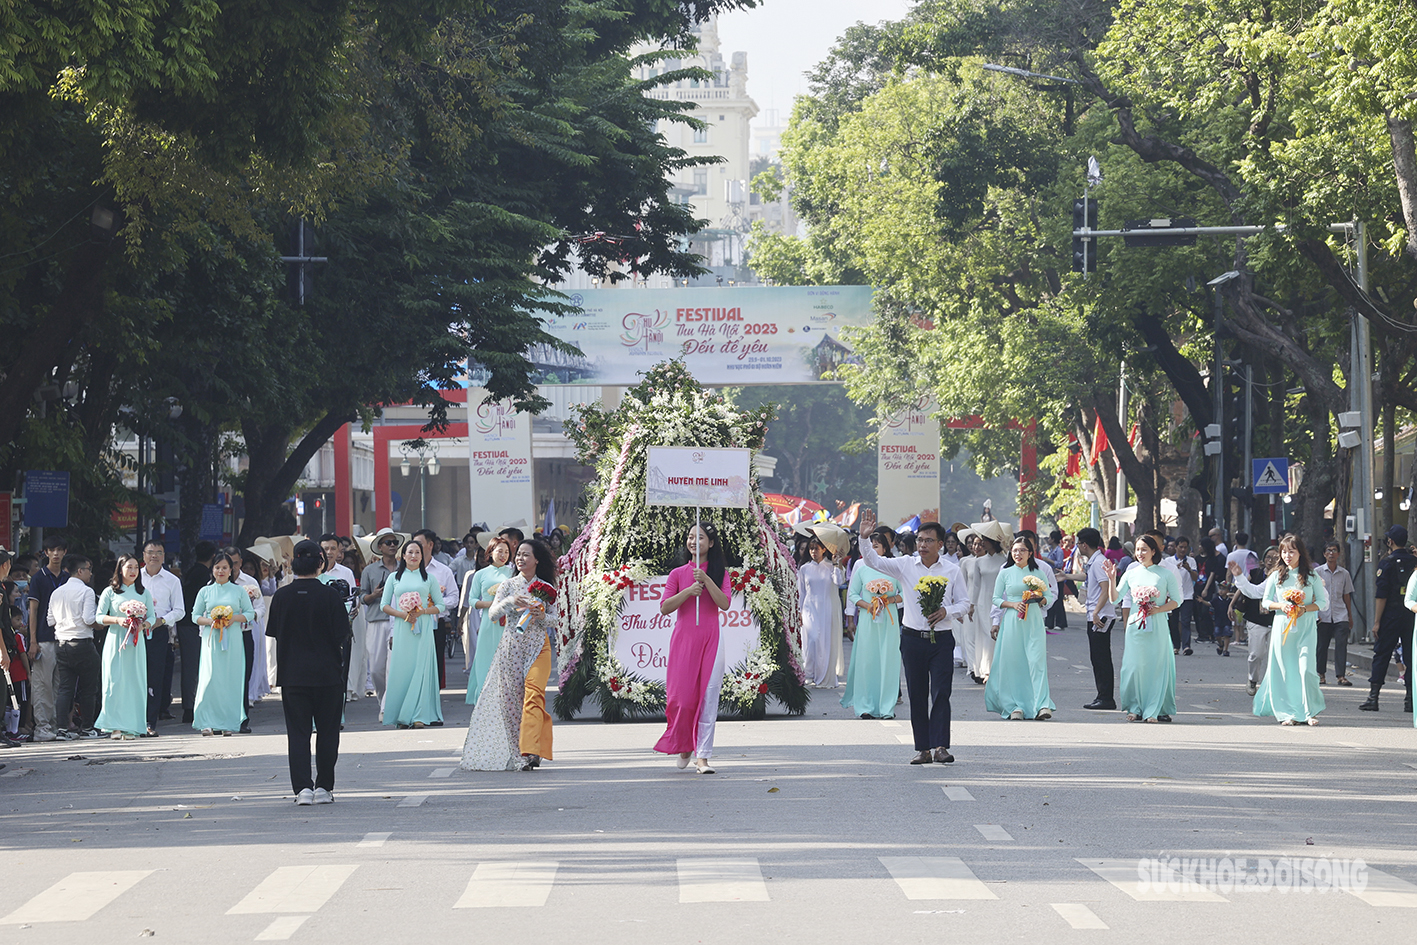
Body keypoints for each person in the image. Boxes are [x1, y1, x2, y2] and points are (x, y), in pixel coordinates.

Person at [856, 512, 970, 764]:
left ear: (941, 544)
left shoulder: (952, 570)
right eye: (919, 540)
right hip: (912, 639)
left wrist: (946, 611)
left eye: (929, 541)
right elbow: (873, 562)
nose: (922, 545)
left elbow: (964, 602)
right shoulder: (905, 564)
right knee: (917, 694)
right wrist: (864, 538)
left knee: (941, 693)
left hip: (941, 639)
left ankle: (941, 746)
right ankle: (923, 749)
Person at [460, 539, 558, 771]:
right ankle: (519, 755)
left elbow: (557, 620)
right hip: (511, 648)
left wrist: (541, 615)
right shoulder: (507, 586)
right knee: (512, 704)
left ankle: (533, 750)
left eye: (526, 555)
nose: (520, 559)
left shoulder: (547, 588)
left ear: (536, 560)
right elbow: (493, 614)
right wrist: (510, 602)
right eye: (519, 555)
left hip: (538, 648)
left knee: (534, 697)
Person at [266, 540, 352, 805]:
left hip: (293, 675)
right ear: (320, 563)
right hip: (327, 674)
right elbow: (342, 635)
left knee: (298, 732)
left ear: (293, 563)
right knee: (328, 732)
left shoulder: (281, 596)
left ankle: (302, 788)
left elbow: (273, 632)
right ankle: (324, 787)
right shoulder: (330, 596)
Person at [653, 523, 733, 774]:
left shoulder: (721, 574)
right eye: (690, 537)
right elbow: (665, 607)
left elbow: (725, 604)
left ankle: (703, 758)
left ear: (710, 544)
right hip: (684, 642)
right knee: (682, 700)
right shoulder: (677, 574)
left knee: (709, 697)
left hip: (711, 639)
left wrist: (707, 580)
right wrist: (688, 591)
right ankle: (685, 744)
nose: (693, 541)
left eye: (700, 538)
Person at [1104, 534, 1182, 723]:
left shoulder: (1165, 574)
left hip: (1158, 626)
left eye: (1144, 549)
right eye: (1138, 549)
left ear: (1154, 551)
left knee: (1156, 667)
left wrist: (1158, 609)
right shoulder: (1131, 572)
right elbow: (1115, 598)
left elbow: (1177, 601)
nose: (1140, 553)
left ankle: (1153, 709)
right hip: (1136, 625)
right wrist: (1112, 579)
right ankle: (1134, 706)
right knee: (1134, 667)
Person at [1252, 534, 1327, 725]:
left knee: (1306, 669)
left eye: (1291, 551)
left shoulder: (1311, 576)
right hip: (1282, 628)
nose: (1287, 555)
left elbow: (1322, 602)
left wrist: (1304, 609)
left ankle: (1310, 711)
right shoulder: (1276, 576)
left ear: (1300, 553)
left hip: (1306, 628)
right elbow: (1266, 602)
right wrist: (1281, 606)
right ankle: (1288, 713)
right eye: (1284, 551)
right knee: (1285, 671)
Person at [985, 535, 1056, 720]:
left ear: (1030, 553)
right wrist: (1012, 604)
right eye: (1015, 550)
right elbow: (995, 598)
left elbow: (1049, 596)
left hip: (1033, 621)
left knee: (1036, 662)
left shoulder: (1038, 572)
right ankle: (1015, 705)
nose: (1018, 553)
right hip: (1012, 622)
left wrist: (1040, 599)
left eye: (1022, 550)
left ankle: (1042, 705)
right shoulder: (1005, 572)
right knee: (1014, 663)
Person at [379, 539, 445, 728]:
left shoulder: (429, 579)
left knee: (421, 669)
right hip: (402, 628)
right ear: (403, 556)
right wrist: (403, 615)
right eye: (410, 552)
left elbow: (440, 606)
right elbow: (384, 605)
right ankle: (401, 714)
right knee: (403, 670)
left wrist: (422, 611)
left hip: (423, 628)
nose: (414, 556)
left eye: (417, 552)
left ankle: (419, 715)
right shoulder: (394, 578)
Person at [191, 552, 256, 735]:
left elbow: (250, 613)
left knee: (230, 679)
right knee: (210, 678)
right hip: (211, 639)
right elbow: (195, 616)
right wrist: (211, 621)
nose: (220, 571)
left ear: (231, 570)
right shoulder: (205, 591)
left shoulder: (238, 591)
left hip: (233, 638)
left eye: (224, 567)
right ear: (212, 570)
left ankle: (228, 722)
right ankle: (207, 721)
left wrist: (232, 618)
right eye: (217, 567)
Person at [840, 531, 903, 720]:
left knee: (888, 662)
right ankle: (865, 705)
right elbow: (852, 594)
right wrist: (868, 606)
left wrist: (888, 600)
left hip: (889, 622)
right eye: (870, 546)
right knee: (867, 661)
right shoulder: (861, 567)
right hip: (868, 620)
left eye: (877, 546)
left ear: (885, 548)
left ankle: (886, 707)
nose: (873, 550)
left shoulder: (894, 568)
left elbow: (906, 594)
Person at [93, 554, 154, 739]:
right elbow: (98, 617)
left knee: (134, 682)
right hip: (115, 641)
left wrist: (142, 625)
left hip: (136, 644)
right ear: (120, 569)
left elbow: (151, 616)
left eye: (136, 567)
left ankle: (133, 725)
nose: (133, 571)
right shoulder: (110, 592)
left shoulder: (144, 592)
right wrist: (118, 620)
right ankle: (114, 726)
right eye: (129, 567)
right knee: (114, 681)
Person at [1360, 525, 1417, 712]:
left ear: (1390, 541)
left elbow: (1381, 595)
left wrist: (1377, 622)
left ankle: (1373, 697)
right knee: (1411, 656)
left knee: (1382, 654)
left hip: (1390, 615)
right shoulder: (1414, 562)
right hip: (1411, 614)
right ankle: (1410, 699)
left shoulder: (1387, 563)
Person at [1061, 528, 1118, 709]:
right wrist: (1067, 576)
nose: (1077, 547)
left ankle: (1106, 698)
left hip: (1100, 616)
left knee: (1101, 658)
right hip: (1096, 614)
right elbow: (1088, 578)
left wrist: (1096, 612)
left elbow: (1104, 587)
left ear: (1084, 545)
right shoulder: (1095, 562)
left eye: (1078, 543)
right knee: (1097, 657)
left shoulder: (1099, 561)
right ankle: (1102, 695)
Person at [47, 554, 100, 739]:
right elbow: (88, 619)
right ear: (80, 571)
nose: (90, 574)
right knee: (88, 688)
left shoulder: (56, 592)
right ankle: (87, 728)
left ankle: (61, 729)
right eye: (88, 570)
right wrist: (101, 624)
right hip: (83, 643)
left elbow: (50, 620)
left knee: (65, 688)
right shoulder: (87, 592)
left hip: (62, 644)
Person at [26, 536, 69, 742]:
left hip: (65, 637)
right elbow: (33, 612)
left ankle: (55, 726)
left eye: (59, 549)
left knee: (60, 685)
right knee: (42, 684)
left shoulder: (68, 579)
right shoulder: (39, 578)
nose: (56, 554)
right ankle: (41, 727)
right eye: (52, 550)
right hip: (43, 638)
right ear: (45, 553)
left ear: (65, 552)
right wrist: (32, 641)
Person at [464, 534, 515, 706]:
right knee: (486, 657)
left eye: (507, 552)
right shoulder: (481, 575)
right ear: (490, 552)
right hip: (488, 622)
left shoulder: (513, 573)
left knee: (507, 658)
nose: (503, 555)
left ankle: (506, 697)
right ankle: (485, 697)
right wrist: (491, 604)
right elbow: (471, 600)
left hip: (509, 623)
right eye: (500, 551)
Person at [139, 541, 184, 733]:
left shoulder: (172, 580)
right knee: (134, 676)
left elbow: (180, 610)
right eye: (150, 552)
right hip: (135, 631)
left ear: (164, 556)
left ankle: (150, 721)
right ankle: (132, 719)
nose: (154, 556)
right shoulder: (134, 576)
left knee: (154, 677)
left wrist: (163, 620)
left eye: (158, 553)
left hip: (158, 631)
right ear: (144, 555)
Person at [359, 528, 403, 712]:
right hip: (377, 620)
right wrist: (374, 595)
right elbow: (362, 597)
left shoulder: (405, 568)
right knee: (376, 668)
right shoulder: (370, 570)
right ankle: (383, 699)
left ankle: (388, 706)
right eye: (388, 543)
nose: (392, 546)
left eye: (395, 543)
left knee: (394, 666)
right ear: (380, 547)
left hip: (399, 621)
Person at [412, 529, 459, 695]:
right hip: (411, 624)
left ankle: (432, 701)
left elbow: (453, 598)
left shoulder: (443, 571)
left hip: (435, 624)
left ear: (430, 545)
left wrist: (432, 605)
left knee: (435, 663)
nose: (415, 549)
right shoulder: (406, 571)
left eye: (420, 544)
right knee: (413, 665)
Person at [1230, 547, 1280, 695]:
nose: (1271, 561)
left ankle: (1271, 685)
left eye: (1275, 558)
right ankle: (1253, 679)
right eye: (1268, 557)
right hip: (1256, 618)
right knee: (1256, 654)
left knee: (1276, 655)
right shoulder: (1256, 573)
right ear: (1263, 560)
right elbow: (1250, 590)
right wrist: (1232, 603)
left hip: (1277, 619)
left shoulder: (1284, 576)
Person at [964, 522, 1009, 684]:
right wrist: (972, 605)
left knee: (996, 635)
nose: (982, 542)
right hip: (982, 601)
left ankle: (997, 669)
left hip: (999, 601)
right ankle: (984, 669)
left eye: (985, 539)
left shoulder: (1004, 560)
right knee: (984, 635)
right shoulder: (978, 562)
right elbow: (975, 585)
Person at [176, 541, 216, 723]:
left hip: (186, 623)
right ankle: (191, 707)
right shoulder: (205, 577)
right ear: (213, 557)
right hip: (195, 624)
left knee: (190, 666)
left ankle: (190, 705)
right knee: (197, 666)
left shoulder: (192, 572)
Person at [798, 535, 844, 688]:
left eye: (816, 549)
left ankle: (822, 674)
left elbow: (839, 582)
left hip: (826, 607)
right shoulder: (804, 568)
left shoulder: (831, 567)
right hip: (809, 607)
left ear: (824, 549)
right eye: (811, 549)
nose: (813, 552)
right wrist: (798, 611)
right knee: (811, 639)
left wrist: (837, 564)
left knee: (824, 641)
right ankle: (808, 673)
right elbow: (801, 592)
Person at [1313, 541, 1354, 686]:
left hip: (1340, 614)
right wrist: (1314, 612)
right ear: (1324, 554)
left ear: (1338, 554)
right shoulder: (1317, 573)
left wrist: (1349, 615)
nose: (1331, 553)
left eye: (1334, 550)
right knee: (1322, 645)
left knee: (1341, 645)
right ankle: (1321, 674)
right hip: (1322, 615)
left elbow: (1346, 595)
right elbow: (1312, 594)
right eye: (1328, 550)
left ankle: (1341, 675)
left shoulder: (1344, 573)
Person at [1172, 537, 1198, 655]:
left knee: (1186, 621)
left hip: (1187, 595)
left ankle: (1186, 646)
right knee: (1173, 621)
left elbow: (1196, 578)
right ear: (1176, 547)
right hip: (1173, 595)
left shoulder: (1191, 561)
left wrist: (1188, 569)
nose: (1183, 550)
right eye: (1180, 547)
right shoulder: (1169, 561)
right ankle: (1175, 645)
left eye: (1185, 547)